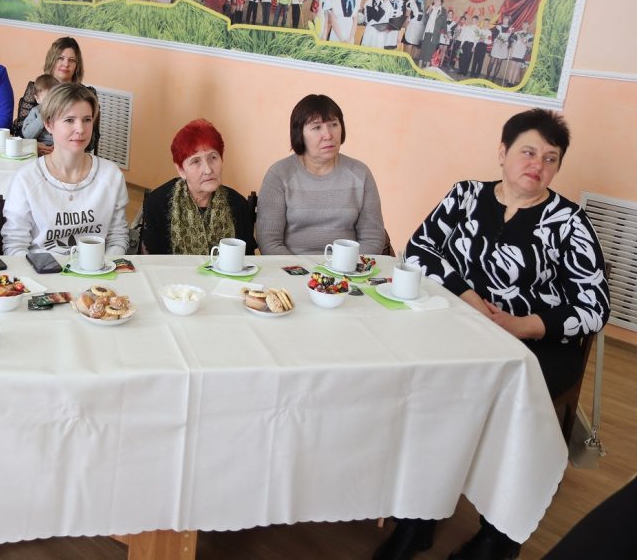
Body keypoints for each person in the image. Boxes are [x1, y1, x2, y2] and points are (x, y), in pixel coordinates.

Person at [374, 109, 611, 560]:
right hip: (456, 327)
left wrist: (521, 325)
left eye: (550, 159)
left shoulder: (568, 222)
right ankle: (418, 517)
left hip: (535, 347)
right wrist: (471, 301)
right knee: (423, 388)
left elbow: (594, 307)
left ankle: (499, 536)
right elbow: (419, 249)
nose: (537, 165)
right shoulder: (465, 195)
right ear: (502, 153)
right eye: (528, 152)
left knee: (500, 403)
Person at [1, 82, 128, 256]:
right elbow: (15, 245)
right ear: (48, 124)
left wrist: (102, 265)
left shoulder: (111, 175)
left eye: (87, 120)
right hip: (41, 270)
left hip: (97, 270)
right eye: (69, 120)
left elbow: (117, 237)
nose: (80, 129)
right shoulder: (27, 177)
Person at [256, 94, 386, 255]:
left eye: (333, 124)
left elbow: (373, 239)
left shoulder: (360, 173)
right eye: (317, 127)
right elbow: (269, 241)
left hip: (348, 267)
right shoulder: (279, 174)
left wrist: (346, 266)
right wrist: (298, 269)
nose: (328, 135)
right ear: (299, 133)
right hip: (291, 267)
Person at [142, 118, 254, 255]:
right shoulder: (157, 204)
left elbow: (248, 259)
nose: (208, 170)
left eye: (213, 157)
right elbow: (152, 261)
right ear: (181, 170)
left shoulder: (238, 204)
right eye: (195, 161)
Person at [11, 36, 99, 154]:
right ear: (52, 60)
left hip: (71, 154)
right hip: (35, 153)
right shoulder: (36, 88)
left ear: (77, 65)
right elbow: (19, 130)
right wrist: (33, 145)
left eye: (72, 60)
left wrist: (62, 146)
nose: (66, 64)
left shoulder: (86, 94)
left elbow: (92, 140)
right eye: (60, 58)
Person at [20, 73, 58, 149]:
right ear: (37, 99)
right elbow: (27, 135)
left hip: (59, 147)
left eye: (54, 99)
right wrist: (42, 117)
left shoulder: (62, 111)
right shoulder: (36, 111)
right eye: (45, 100)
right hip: (39, 146)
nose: (50, 103)